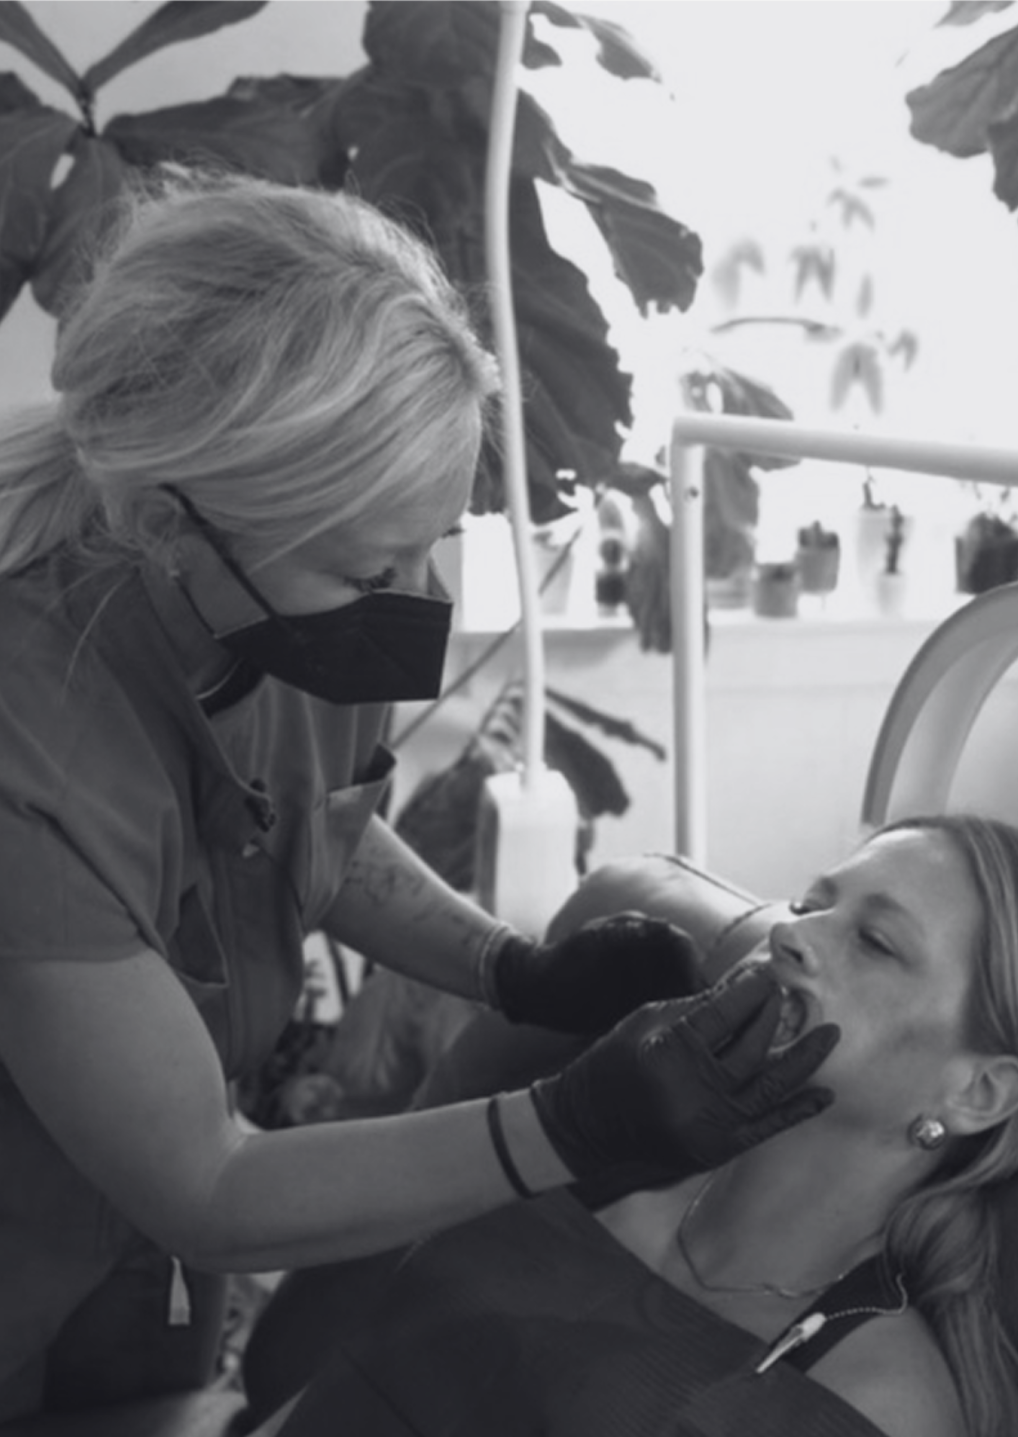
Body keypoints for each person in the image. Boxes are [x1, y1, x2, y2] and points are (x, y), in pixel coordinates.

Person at [0, 171, 838, 1422]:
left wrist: (511, 970)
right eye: (365, 572)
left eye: (432, 544)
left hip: (139, 1253)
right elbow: (208, 1188)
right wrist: (568, 1123)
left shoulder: (275, 607)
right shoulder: (29, 748)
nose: (411, 602)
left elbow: (308, 824)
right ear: (167, 527)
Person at [241, 813, 1018, 1437]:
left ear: (979, 1091)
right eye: (811, 905)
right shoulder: (588, 1147)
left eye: (875, 942)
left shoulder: (878, 1400)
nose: (791, 934)